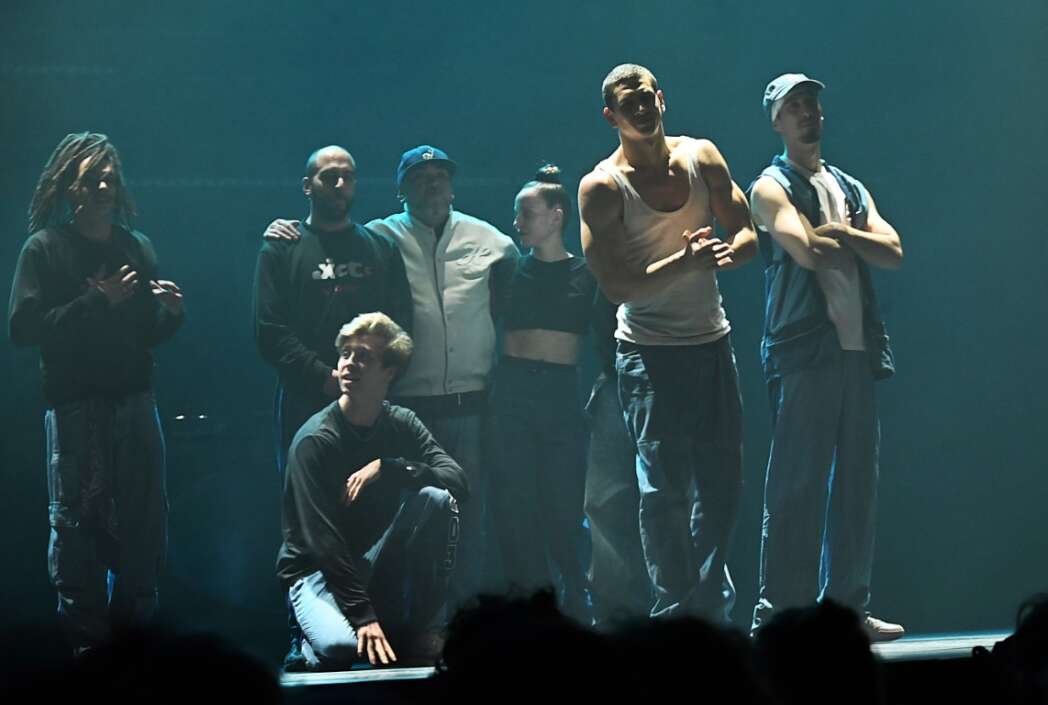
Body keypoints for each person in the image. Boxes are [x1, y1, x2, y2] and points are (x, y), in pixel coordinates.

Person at [266, 145, 518, 602]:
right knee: (376, 520)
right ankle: (362, 620)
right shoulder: (377, 237)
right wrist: (286, 229)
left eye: (440, 176)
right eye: (420, 178)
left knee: (463, 520)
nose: (433, 185)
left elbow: (513, 294)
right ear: (400, 190)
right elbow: (275, 323)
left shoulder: (490, 240)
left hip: (464, 406)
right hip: (393, 407)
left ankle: (457, 621)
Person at [579, 64, 757, 621]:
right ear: (611, 116)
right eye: (627, 103)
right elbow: (616, 285)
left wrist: (728, 253)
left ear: (661, 98)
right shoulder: (603, 187)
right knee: (664, 492)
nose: (640, 108)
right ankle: (676, 614)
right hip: (648, 354)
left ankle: (706, 610)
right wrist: (684, 262)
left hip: (711, 343)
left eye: (646, 97)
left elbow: (747, 232)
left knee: (722, 488)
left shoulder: (702, 156)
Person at [8, 132, 185, 654]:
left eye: (111, 179)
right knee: (76, 527)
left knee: (144, 525)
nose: (105, 188)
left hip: (135, 401)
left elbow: (145, 332)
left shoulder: (136, 246)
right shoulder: (45, 248)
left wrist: (172, 315)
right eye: (93, 180)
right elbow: (22, 328)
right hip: (76, 406)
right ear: (72, 188)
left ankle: (133, 646)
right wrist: (95, 302)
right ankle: (88, 652)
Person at [747, 73, 904, 640]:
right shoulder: (769, 186)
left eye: (811, 103)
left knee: (857, 485)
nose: (808, 112)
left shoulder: (848, 185)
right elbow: (808, 251)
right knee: (797, 485)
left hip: (856, 351)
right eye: (795, 106)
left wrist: (845, 234)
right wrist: (851, 238)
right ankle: (779, 616)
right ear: (777, 120)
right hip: (803, 349)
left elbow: (893, 250)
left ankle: (846, 611)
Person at [277, 312, 468, 668]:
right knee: (341, 649)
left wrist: (390, 468)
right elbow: (322, 541)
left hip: (373, 562)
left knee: (437, 498)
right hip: (318, 569)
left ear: (389, 371)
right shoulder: (315, 440)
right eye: (345, 354)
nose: (349, 363)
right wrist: (364, 617)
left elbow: (457, 480)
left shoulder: (401, 422)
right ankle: (303, 633)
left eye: (363, 356)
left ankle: (423, 626)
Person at [253, 145, 412, 474]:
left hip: (371, 398)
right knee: (306, 497)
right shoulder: (280, 249)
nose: (340, 184)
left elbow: (401, 324)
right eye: (329, 177)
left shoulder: (382, 248)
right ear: (307, 186)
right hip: (304, 399)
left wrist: (374, 376)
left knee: (371, 496)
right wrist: (325, 378)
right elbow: (269, 329)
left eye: (347, 177)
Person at [490, 164, 597, 620]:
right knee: (517, 503)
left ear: (556, 216)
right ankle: (530, 606)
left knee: (563, 504)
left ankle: (576, 598)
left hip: (560, 393)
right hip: (512, 390)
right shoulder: (506, 269)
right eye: (516, 214)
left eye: (526, 214)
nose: (517, 223)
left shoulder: (586, 273)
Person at [583, 291, 651, 626]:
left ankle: (686, 621)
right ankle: (615, 623)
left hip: (670, 373)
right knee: (605, 505)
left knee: (675, 505)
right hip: (615, 375)